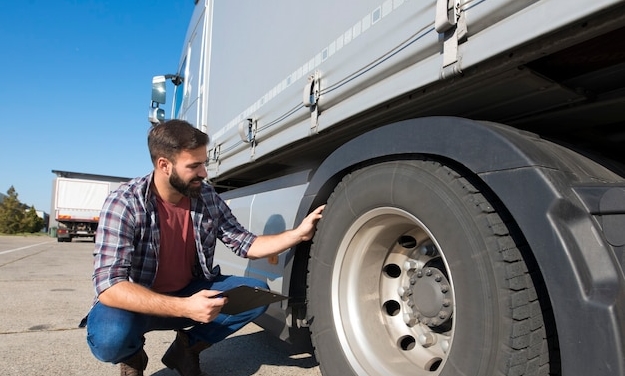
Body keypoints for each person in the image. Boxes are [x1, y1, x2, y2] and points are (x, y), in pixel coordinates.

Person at [84, 119, 325, 376]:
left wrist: (298, 234)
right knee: (110, 338)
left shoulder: (206, 197)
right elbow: (109, 286)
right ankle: (131, 356)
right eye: (194, 166)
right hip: (139, 301)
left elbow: (246, 243)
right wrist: (186, 307)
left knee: (255, 295)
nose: (204, 173)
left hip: (190, 290)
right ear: (164, 165)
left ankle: (185, 349)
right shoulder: (126, 202)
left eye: (204, 163)